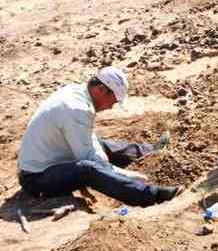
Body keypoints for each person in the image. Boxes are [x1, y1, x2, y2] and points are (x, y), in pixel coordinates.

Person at [18, 66, 180, 207]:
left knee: (99, 144)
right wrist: (122, 173)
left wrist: (108, 164)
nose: (111, 106)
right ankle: (151, 196)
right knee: (86, 170)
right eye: (113, 100)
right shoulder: (76, 108)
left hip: (54, 160)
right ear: (100, 89)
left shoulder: (76, 92)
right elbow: (86, 156)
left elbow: (88, 141)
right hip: (37, 179)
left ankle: (150, 151)